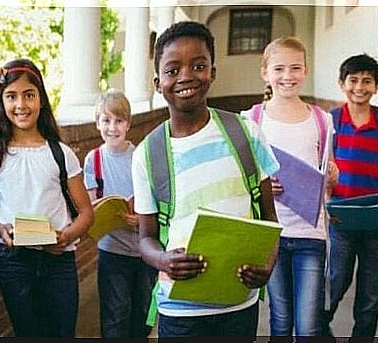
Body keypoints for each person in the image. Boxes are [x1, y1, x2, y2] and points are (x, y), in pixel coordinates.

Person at [131, 21, 281, 339]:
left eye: (198, 65)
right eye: (173, 70)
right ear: (158, 83)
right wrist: (163, 259)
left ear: (212, 72)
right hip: (180, 310)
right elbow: (145, 238)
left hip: (239, 303)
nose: (186, 76)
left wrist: (267, 266)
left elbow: (269, 220)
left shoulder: (246, 133)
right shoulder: (147, 154)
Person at [0, 58, 94, 338]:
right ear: (1, 101)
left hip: (58, 261)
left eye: (29, 95)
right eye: (11, 96)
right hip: (14, 261)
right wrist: (1, 230)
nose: (21, 105)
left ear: (41, 100)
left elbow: (87, 213)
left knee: (62, 333)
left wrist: (66, 236)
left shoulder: (60, 153)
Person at [241, 37, 339, 339]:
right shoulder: (252, 120)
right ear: (265, 72)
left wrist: (332, 175)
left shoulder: (322, 120)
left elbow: (330, 168)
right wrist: (261, 183)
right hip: (271, 235)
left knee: (308, 326)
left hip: (311, 232)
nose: (288, 76)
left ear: (306, 70)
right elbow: (243, 176)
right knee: (280, 321)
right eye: (279, 68)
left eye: (295, 68)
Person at [323, 54, 378, 339]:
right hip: (340, 220)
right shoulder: (331, 121)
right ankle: (320, 330)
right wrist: (325, 206)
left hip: (376, 222)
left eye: (367, 81)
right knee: (334, 284)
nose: (360, 87)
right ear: (341, 83)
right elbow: (321, 170)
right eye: (353, 80)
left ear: (377, 86)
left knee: (371, 293)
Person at [83, 89, 157, 338]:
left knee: (143, 316)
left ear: (128, 124)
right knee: (115, 316)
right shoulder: (93, 160)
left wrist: (140, 220)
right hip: (112, 251)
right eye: (106, 120)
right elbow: (91, 208)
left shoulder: (141, 158)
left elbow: (156, 203)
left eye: (118, 120)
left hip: (144, 250)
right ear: (97, 124)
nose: (112, 127)